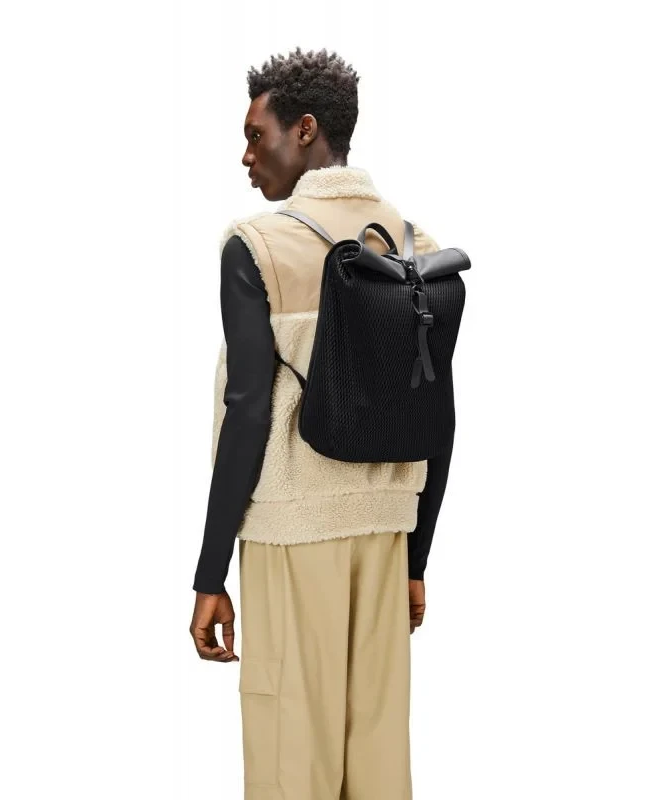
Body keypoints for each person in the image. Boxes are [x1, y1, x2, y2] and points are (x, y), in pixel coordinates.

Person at [189, 46, 454, 800]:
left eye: (256, 135)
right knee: (376, 764)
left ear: (305, 129)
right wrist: (415, 558)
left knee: (290, 763)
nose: (246, 156)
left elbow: (248, 412)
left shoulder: (257, 247)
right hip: (385, 536)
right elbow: (438, 414)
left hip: (291, 535)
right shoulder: (417, 247)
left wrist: (210, 574)